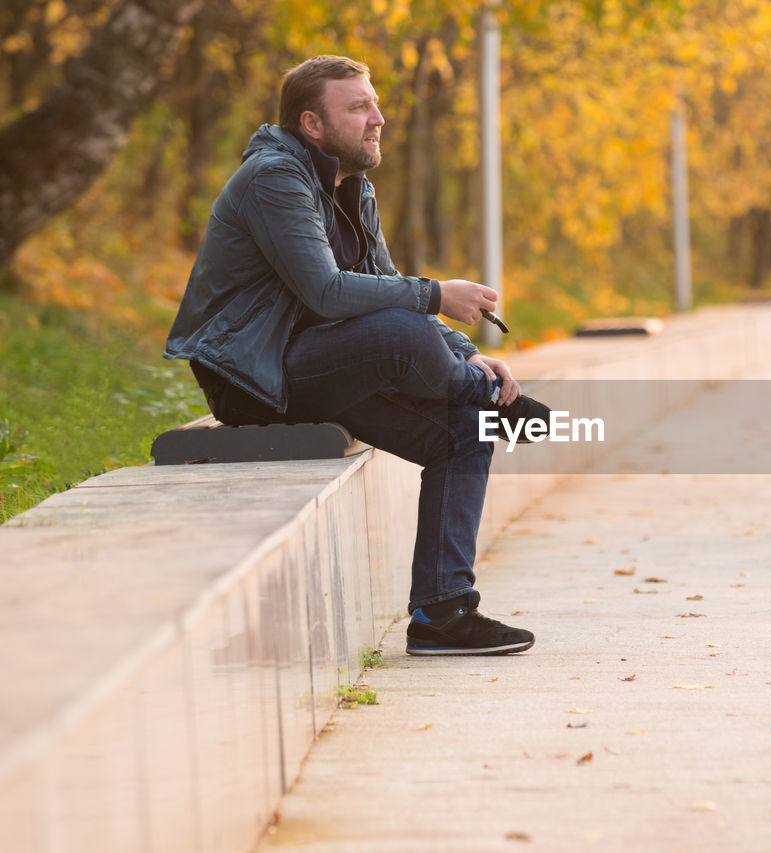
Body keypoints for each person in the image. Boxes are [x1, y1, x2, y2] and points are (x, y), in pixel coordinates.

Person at [165, 56, 541, 656]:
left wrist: (466, 350)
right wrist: (438, 296)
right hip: (254, 377)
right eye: (359, 107)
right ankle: (493, 400)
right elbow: (328, 291)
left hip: (321, 362)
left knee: (465, 432)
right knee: (401, 333)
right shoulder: (274, 178)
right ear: (312, 124)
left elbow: (381, 278)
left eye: (375, 103)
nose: (379, 118)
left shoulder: (351, 186)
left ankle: (441, 615)